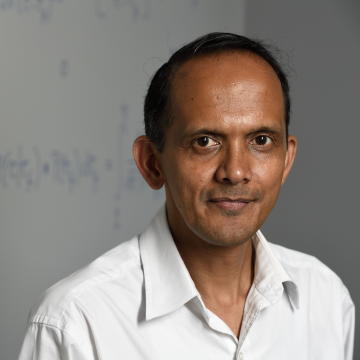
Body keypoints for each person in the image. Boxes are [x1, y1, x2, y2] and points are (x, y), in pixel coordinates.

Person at [18, 33, 355, 360]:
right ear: (152, 163)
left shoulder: (325, 299)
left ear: (286, 160)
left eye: (261, 140)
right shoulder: (74, 322)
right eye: (205, 141)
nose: (235, 171)